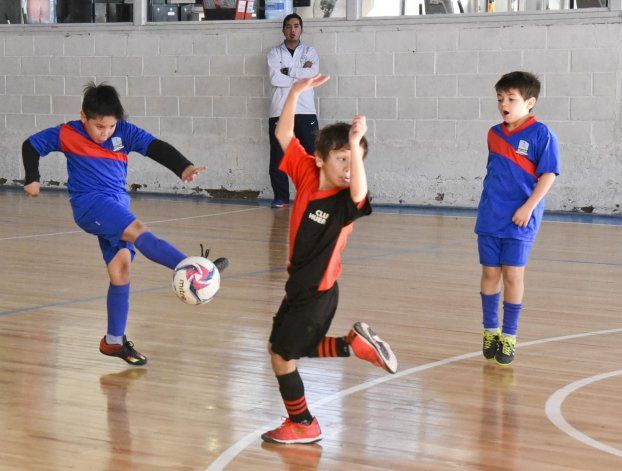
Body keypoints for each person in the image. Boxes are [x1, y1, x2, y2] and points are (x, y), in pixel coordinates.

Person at [22, 82, 228, 366]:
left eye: (110, 126)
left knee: (121, 269)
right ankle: (195, 269)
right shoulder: (67, 133)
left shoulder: (124, 132)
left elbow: (155, 147)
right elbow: (31, 145)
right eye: (99, 126)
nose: (105, 133)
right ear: (83, 117)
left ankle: (113, 341)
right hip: (90, 205)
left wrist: (183, 166)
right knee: (140, 232)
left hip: (117, 205)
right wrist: (32, 178)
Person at [261, 75, 398, 445]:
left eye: (356, 160)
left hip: (317, 293)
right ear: (320, 159)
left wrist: (354, 143)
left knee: (283, 357)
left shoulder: (345, 204)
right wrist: (294, 92)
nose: (350, 167)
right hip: (299, 288)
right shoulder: (307, 173)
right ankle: (352, 345)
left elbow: (359, 191)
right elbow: (284, 134)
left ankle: (303, 423)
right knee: (281, 348)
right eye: (341, 160)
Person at [475, 71, 560, 366]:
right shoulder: (493, 134)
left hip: (521, 219)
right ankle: (490, 331)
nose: (504, 104)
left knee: (513, 275)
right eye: (500, 99)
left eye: (511, 99)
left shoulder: (542, 135)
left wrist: (528, 207)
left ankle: (509, 335)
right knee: (490, 273)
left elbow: (548, 175)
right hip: (490, 216)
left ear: (530, 102)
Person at [267, 13, 319, 208]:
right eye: (288, 26)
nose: (292, 30)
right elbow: (275, 79)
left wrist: (288, 71)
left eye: (296, 26)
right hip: (280, 110)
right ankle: (281, 197)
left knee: (312, 155)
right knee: (279, 157)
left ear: (301, 29)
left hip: (305, 110)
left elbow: (312, 75)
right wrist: (300, 74)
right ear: (283, 30)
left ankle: (312, 196)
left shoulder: (310, 51)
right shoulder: (274, 53)